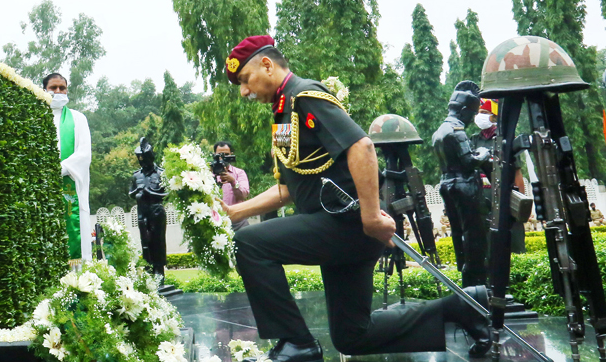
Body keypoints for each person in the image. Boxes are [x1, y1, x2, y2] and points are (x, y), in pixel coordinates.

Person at [220, 35, 492, 361]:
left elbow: (361, 147)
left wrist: (372, 216)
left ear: (266, 65)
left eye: (245, 80)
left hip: (347, 224)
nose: (244, 91)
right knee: (353, 336)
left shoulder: (305, 96)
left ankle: (296, 344)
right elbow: (290, 189)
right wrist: (234, 211)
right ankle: (461, 307)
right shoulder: (283, 111)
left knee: (249, 244)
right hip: (337, 227)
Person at [432, 81, 490, 287]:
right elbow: (469, 162)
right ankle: (476, 281)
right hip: (464, 186)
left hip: (447, 184)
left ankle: (465, 274)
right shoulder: (457, 130)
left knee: (458, 234)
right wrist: (484, 153)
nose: (473, 118)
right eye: (472, 113)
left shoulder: (439, 130)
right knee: (474, 235)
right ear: (464, 110)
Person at [44, 73, 93, 262]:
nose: (58, 92)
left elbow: (84, 154)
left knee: (74, 227)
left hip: (69, 183)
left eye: (62, 88)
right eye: (53, 88)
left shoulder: (77, 118)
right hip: (43, 186)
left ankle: (78, 280)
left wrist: (58, 169)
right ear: (44, 90)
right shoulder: (36, 118)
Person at [470, 98, 527, 253]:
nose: (479, 116)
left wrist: (521, 205)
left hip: (505, 199)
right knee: (488, 248)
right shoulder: (474, 140)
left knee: (513, 244)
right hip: (483, 203)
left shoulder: (506, 140)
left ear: (494, 116)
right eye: (478, 113)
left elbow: (517, 173)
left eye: (484, 113)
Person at [129, 138, 169, 285]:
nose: (141, 161)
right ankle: (149, 269)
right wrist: (138, 193)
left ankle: (159, 270)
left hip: (156, 211)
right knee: (145, 241)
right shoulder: (136, 175)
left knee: (158, 241)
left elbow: (167, 194)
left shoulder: (160, 173)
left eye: (143, 158)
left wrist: (149, 193)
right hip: (142, 211)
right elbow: (131, 192)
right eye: (139, 158)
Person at [213, 141, 251, 231]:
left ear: (231, 155)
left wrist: (233, 182)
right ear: (215, 155)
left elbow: (244, 195)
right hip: (217, 222)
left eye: (226, 155)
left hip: (239, 222)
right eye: (220, 155)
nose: (223, 158)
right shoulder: (208, 174)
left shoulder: (239, 173)